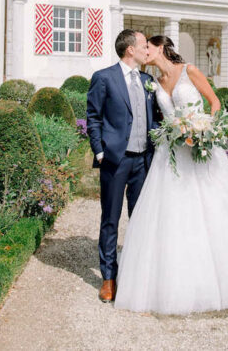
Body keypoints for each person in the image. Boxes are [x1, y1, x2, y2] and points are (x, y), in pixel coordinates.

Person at [113, 35, 228, 315]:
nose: (143, 51)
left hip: (200, 148)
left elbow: (215, 102)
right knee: (172, 215)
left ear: (160, 48)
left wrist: (205, 130)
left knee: (213, 209)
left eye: (147, 46)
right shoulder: (154, 83)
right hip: (170, 154)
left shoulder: (190, 70)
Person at [85, 29, 163, 304]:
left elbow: (155, 118)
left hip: (143, 161)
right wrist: (100, 151)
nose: (147, 50)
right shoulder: (104, 78)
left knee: (140, 220)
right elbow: (93, 117)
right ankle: (108, 277)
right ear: (130, 49)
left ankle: (135, 274)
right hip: (115, 161)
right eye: (143, 46)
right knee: (111, 219)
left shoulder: (147, 80)